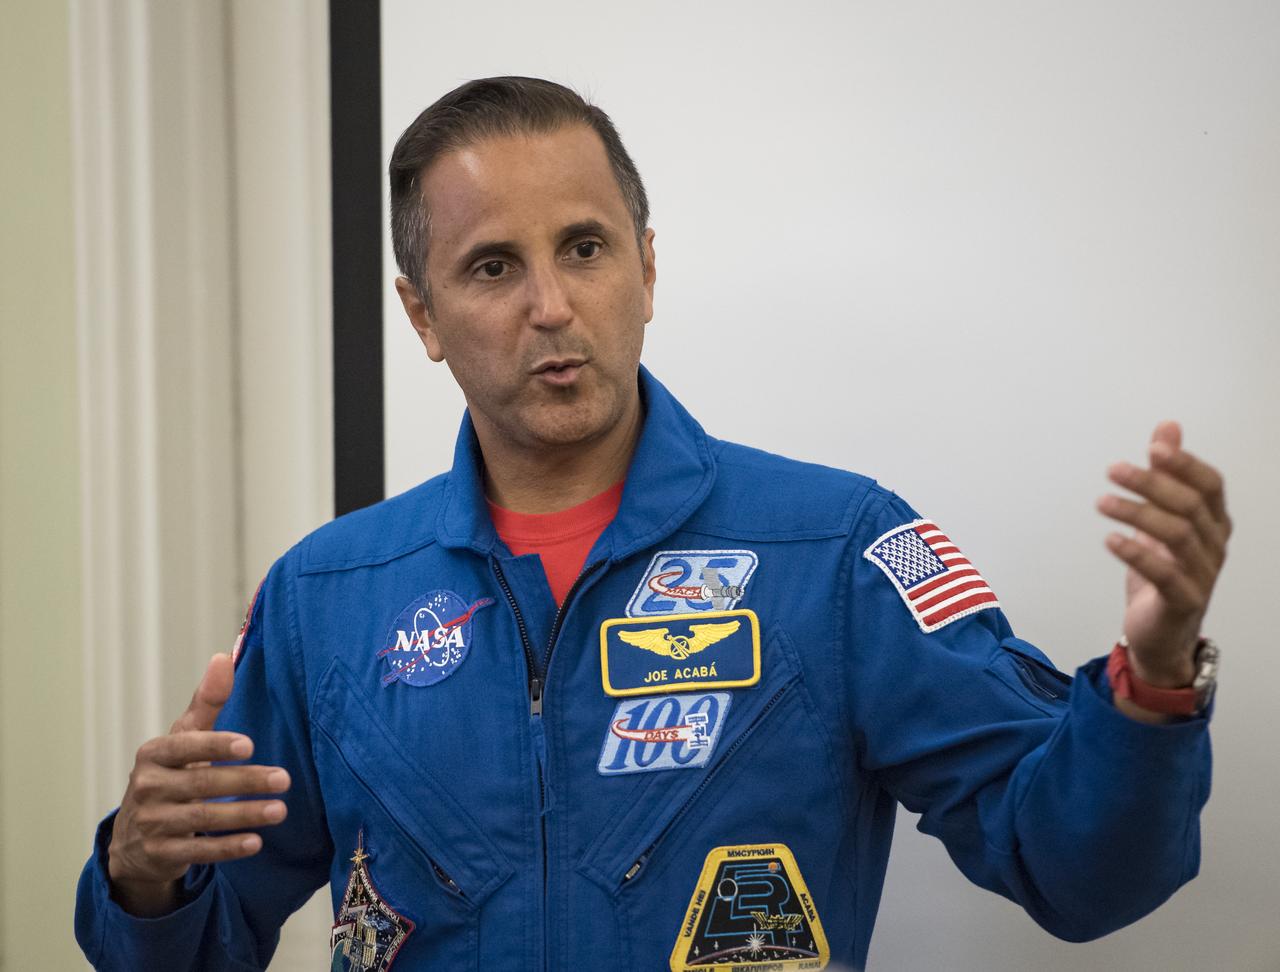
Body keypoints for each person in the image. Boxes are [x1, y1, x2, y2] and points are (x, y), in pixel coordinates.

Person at [74, 77, 1229, 972]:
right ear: (421, 316)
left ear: (647, 266)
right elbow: (192, 947)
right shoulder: (327, 597)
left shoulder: (833, 552)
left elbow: (1077, 873)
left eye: (584, 248)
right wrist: (140, 876)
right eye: (492, 267)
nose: (551, 306)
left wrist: (1155, 679)